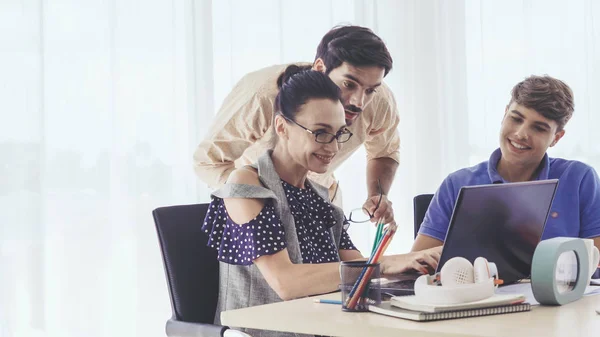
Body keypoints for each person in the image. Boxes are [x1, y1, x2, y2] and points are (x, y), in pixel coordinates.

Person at [202, 67, 441, 336]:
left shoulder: (319, 197)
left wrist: (414, 263)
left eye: (339, 134)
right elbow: (286, 283)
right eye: (320, 133)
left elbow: (357, 272)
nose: (333, 147)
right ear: (282, 127)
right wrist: (386, 263)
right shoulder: (246, 186)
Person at [195, 25, 400, 224]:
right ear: (320, 68)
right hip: (258, 209)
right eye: (348, 84)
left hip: (322, 204)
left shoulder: (379, 101)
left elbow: (384, 152)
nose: (359, 102)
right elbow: (208, 162)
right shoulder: (261, 97)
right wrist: (254, 199)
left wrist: (377, 195)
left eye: (370, 90)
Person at [411, 75, 600, 260]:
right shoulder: (457, 183)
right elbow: (417, 265)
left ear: (556, 138)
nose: (521, 134)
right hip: (480, 290)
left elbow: (597, 263)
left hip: (559, 290)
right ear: (504, 114)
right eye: (516, 119)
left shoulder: (579, 179)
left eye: (539, 128)